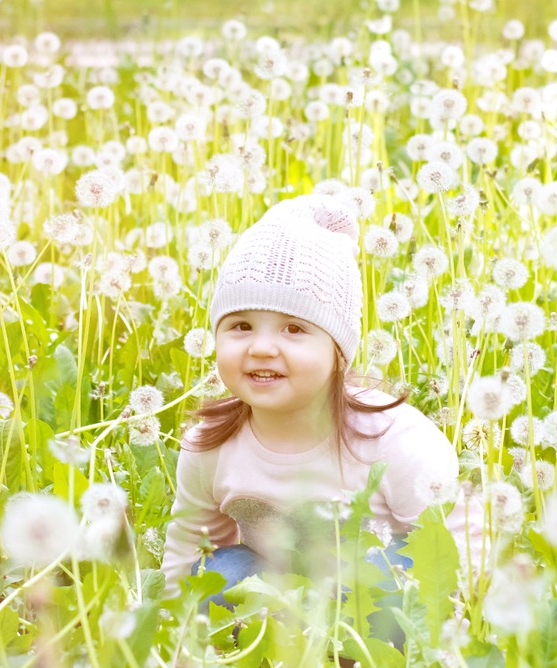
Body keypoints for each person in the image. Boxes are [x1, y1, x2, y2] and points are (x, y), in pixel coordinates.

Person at [160, 193, 485, 639]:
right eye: (240, 326)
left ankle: (362, 667)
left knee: (387, 582)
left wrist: (456, 625)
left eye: (294, 329)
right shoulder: (210, 446)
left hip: (374, 594)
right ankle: (273, 655)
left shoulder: (393, 439)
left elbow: (455, 539)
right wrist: (169, 622)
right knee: (217, 575)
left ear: (338, 352)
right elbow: (189, 535)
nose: (261, 347)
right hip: (280, 588)